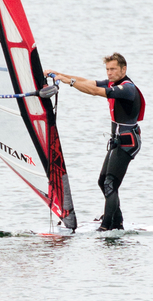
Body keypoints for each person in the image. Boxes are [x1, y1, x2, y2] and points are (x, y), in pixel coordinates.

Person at [44, 52, 145, 231]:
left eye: (113, 69)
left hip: (127, 142)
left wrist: (69, 82)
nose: (109, 73)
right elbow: (89, 82)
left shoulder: (127, 88)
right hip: (118, 141)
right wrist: (60, 74)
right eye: (107, 69)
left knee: (110, 184)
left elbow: (94, 91)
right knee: (103, 181)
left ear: (124, 69)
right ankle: (116, 222)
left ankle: (106, 227)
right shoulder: (114, 83)